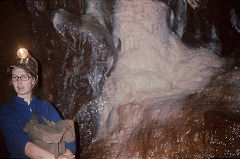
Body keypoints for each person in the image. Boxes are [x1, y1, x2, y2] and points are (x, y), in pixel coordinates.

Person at [0, 48, 76, 159]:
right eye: (15, 77)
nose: (19, 81)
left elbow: (66, 134)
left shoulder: (46, 107)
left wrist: (68, 153)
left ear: (34, 80)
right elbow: (23, 145)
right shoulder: (6, 111)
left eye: (25, 77)